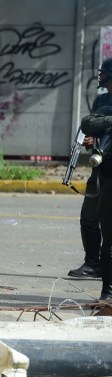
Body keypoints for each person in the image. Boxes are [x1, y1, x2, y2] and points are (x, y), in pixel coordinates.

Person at [67, 59, 112, 279]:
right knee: (89, 216)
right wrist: (91, 141)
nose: (101, 77)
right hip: (100, 167)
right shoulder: (101, 100)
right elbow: (92, 127)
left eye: (104, 73)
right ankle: (92, 263)